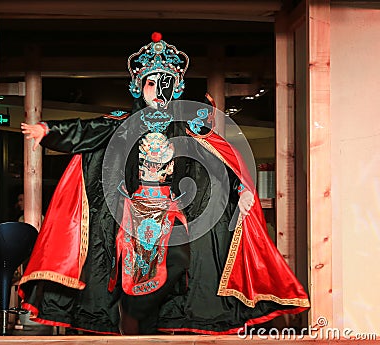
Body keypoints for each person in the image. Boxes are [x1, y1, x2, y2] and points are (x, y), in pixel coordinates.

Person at [18, 32, 309, 335]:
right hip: (131, 210)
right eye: (152, 83)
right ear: (139, 86)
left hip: (171, 212)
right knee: (121, 269)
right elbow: (89, 130)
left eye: (166, 83)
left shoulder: (188, 126)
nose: (159, 90)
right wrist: (49, 131)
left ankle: (153, 318)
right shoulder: (121, 122)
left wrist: (241, 189)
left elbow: (220, 160)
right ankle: (131, 322)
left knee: (181, 260)